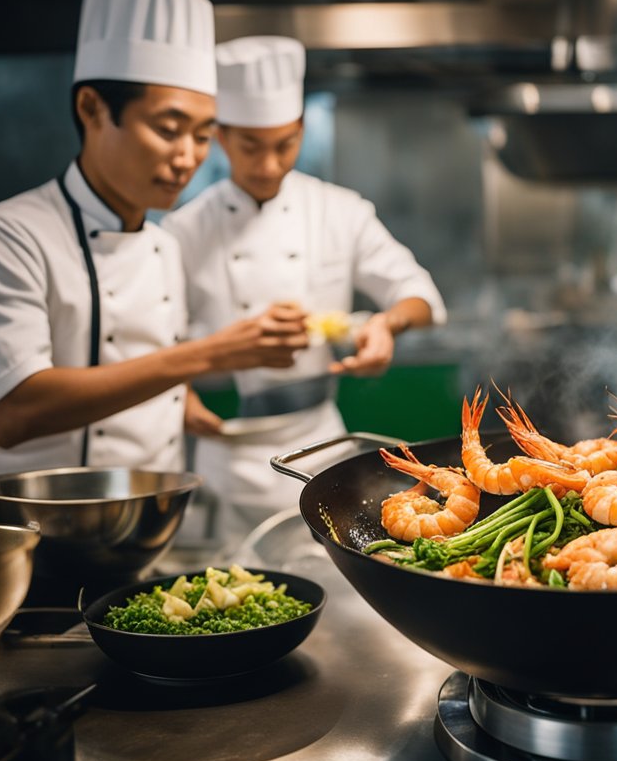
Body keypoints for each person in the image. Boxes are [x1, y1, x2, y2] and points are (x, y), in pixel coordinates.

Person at [0, 0, 307, 479]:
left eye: (201, 136)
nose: (188, 158)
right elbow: (14, 413)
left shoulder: (163, 246)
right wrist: (211, 353)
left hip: (154, 518)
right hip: (36, 526)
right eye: (168, 130)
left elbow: (142, 376)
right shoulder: (5, 237)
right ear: (91, 108)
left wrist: (179, 404)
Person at [164, 35, 446, 544]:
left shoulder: (338, 211)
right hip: (225, 455)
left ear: (299, 129)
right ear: (221, 137)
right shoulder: (183, 231)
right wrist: (178, 395)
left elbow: (419, 295)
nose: (269, 164)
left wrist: (387, 323)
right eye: (250, 146)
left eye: (285, 145)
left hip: (320, 445)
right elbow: (151, 341)